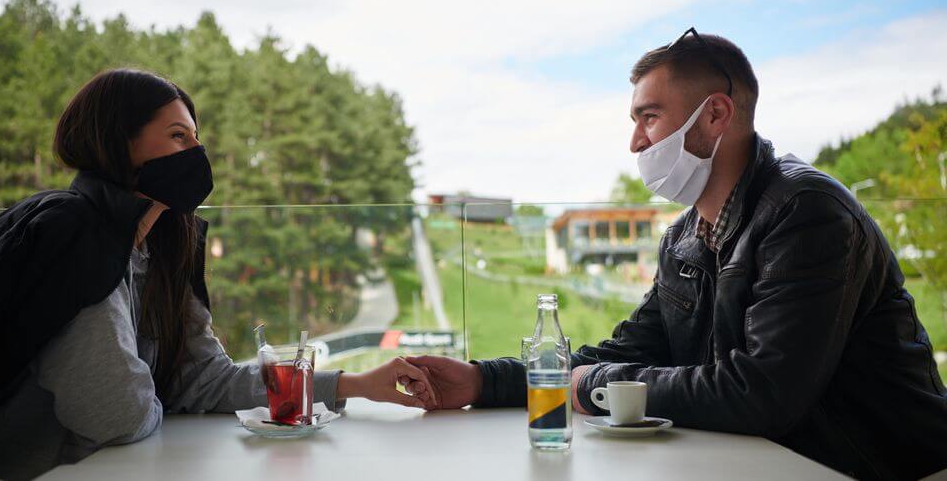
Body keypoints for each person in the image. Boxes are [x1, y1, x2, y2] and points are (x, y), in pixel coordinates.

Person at [402, 29, 947, 480]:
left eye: (650, 117)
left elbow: (762, 391)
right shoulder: (686, 236)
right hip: (767, 462)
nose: (636, 143)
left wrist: (592, 386)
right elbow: (629, 348)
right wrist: (481, 380)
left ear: (715, 116)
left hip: (876, 467)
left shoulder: (807, 213)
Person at [0, 69, 436, 480]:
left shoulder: (160, 246)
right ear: (118, 142)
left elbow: (203, 380)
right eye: (178, 136)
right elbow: (115, 416)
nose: (195, 155)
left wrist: (354, 385)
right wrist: (163, 398)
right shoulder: (73, 232)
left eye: (196, 139)